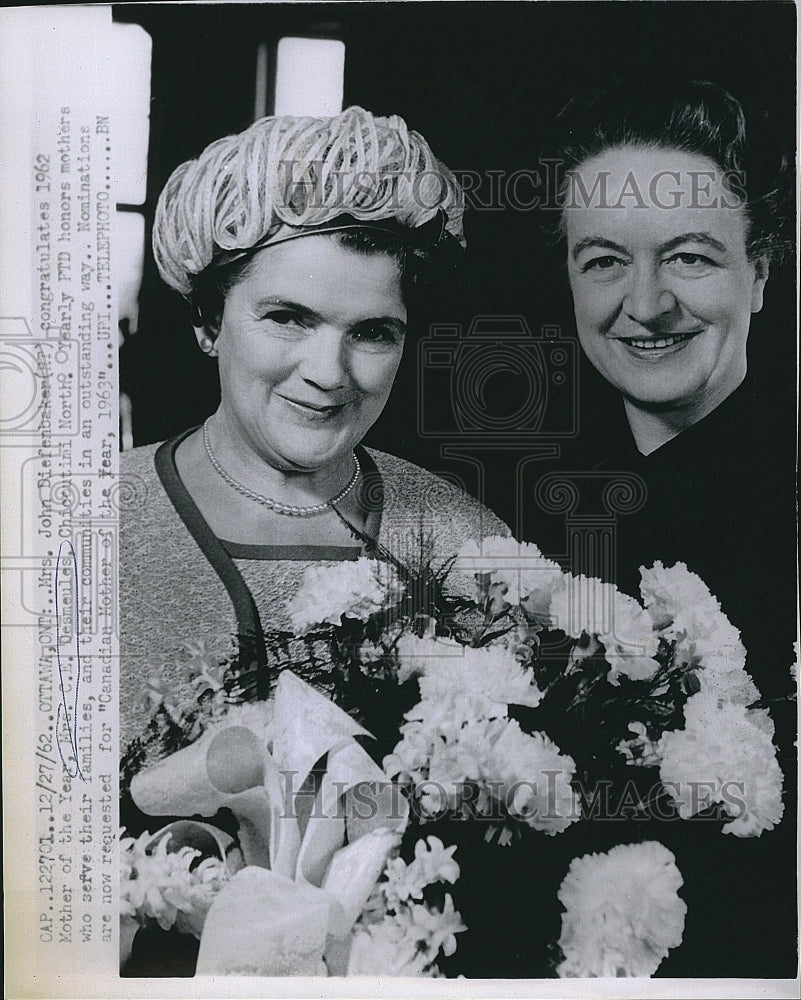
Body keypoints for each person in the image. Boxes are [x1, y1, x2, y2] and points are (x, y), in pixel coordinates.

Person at [119, 107, 509, 778]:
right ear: (208, 322)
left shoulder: (464, 544)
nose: (329, 373)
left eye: (372, 332)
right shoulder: (81, 522)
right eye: (287, 318)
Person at [544, 79, 797, 977]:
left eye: (689, 258)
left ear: (759, 273)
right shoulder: (531, 511)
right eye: (604, 260)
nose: (644, 306)